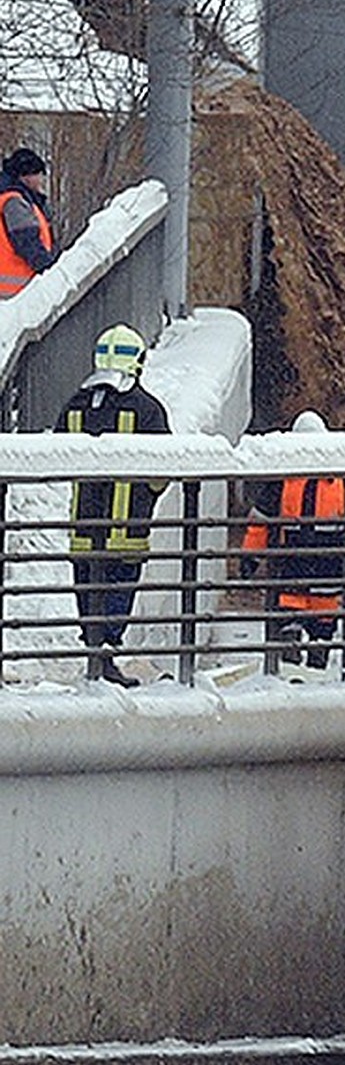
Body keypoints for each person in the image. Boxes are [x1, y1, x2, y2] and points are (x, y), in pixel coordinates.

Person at [55, 324, 170, 687]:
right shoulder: (147, 408)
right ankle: (105, 655)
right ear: (137, 360)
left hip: (84, 531)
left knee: (88, 592)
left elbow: (54, 456)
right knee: (119, 593)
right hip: (127, 533)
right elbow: (164, 471)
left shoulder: (75, 403)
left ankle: (94, 654)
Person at [240, 410, 345, 670]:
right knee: (289, 633)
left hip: (319, 571)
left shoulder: (343, 483)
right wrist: (250, 557)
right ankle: (292, 668)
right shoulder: (284, 482)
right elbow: (260, 522)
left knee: (320, 639)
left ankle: (311, 672)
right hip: (298, 570)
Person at [0, 147, 57, 298]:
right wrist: (52, 273)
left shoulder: (12, 198)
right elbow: (28, 244)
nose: (41, 180)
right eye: (39, 174)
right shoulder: (15, 203)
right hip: (16, 294)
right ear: (26, 177)